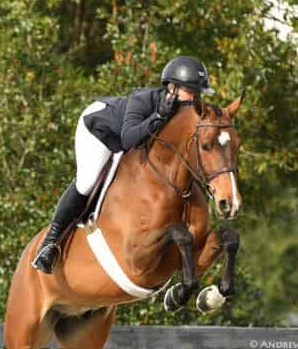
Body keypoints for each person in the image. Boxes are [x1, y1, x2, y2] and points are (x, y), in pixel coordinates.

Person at [31, 55, 215, 274]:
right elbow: (128, 140)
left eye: (198, 94)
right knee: (88, 181)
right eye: (191, 92)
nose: (195, 99)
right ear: (172, 88)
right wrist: (158, 115)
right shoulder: (144, 100)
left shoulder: (186, 115)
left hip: (132, 143)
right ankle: (50, 243)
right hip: (100, 129)